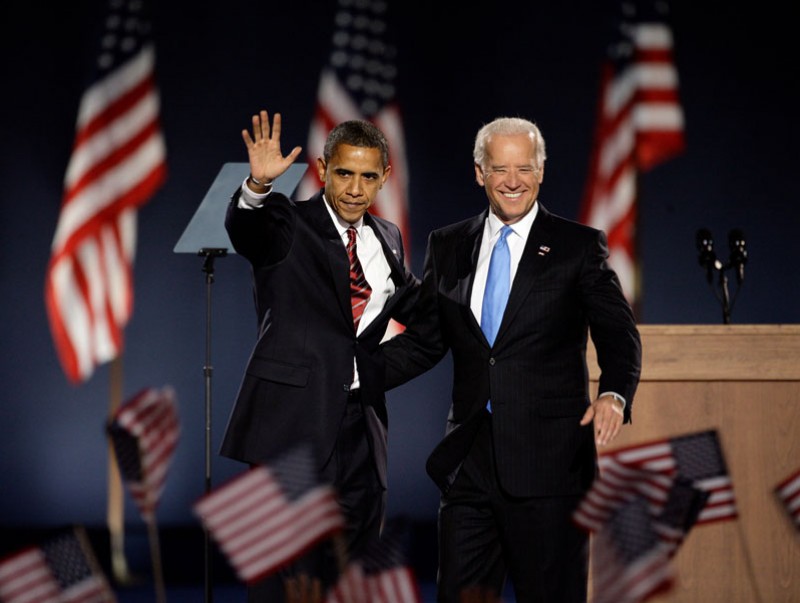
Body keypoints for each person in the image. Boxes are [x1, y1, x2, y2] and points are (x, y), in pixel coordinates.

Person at [382, 116, 642, 603]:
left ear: (541, 171)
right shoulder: (448, 244)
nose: (513, 181)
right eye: (500, 169)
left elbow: (619, 335)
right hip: (469, 464)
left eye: (524, 168)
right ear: (479, 173)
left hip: (551, 468)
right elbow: (426, 342)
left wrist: (613, 393)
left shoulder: (577, 247)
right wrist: (353, 374)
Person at [220, 110, 419, 601]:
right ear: (323, 168)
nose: (355, 188)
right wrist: (257, 188)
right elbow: (248, 231)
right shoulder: (288, 222)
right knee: (287, 573)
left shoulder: (387, 237)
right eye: (344, 173)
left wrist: (379, 372)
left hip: (360, 428)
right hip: (292, 426)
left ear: (385, 177)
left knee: (354, 571)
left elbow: (421, 313)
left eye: (367, 176)